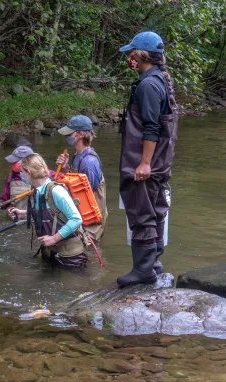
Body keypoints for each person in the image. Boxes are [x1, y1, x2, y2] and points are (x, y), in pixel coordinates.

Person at [116, 31, 178, 287]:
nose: (130, 57)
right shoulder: (162, 80)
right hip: (161, 161)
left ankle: (143, 270)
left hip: (146, 162)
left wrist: (144, 163)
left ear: (141, 55)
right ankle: (153, 263)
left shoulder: (148, 85)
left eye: (132, 53)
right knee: (156, 209)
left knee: (142, 212)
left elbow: (151, 128)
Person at [8, 153, 88, 267]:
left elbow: (76, 219)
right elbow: (48, 213)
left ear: (29, 173)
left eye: (22, 172)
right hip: (51, 252)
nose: (21, 175)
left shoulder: (56, 191)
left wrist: (54, 238)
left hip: (70, 255)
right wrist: (24, 214)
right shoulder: (37, 191)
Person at [56, 115, 108, 241]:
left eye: (69, 133)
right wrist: (65, 167)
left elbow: (87, 196)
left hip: (90, 223)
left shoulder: (89, 162)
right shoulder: (78, 155)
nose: (66, 136)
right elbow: (77, 185)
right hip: (80, 216)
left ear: (79, 134)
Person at [0, 145, 34, 216]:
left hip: (36, 220)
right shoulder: (11, 177)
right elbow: (5, 200)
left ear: (27, 161)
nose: (11, 164)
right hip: (15, 220)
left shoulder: (47, 176)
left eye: (14, 161)